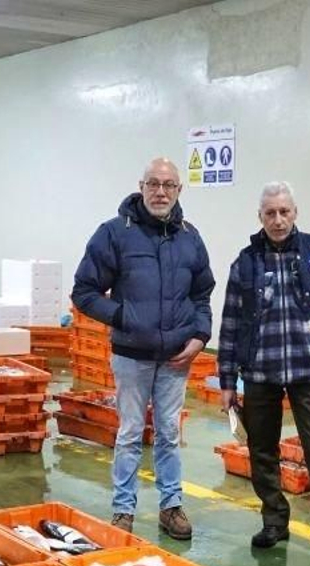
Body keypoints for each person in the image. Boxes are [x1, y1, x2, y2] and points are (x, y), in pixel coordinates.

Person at [72, 158, 215, 539]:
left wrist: (200, 335)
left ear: (179, 190)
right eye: (153, 184)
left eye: (168, 185)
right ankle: (123, 510)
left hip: (176, 359)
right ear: (141, 186)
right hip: (131, 356)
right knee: (131, 433)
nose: (160, 192)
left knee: (169, 433)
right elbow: (83, 292)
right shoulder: (115, 233)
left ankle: (171, 506)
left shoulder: (190, 237)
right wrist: (123, 317)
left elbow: (203, 293)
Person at [218, 181, 310, 562]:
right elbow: (229, 324)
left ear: (295, 213)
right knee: (261, 450)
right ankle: (274, 520)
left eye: (284, 212)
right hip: (260, 371)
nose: (278, 220)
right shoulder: (245, 262)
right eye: (270, 213)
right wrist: (227, 381)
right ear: (260, 217)